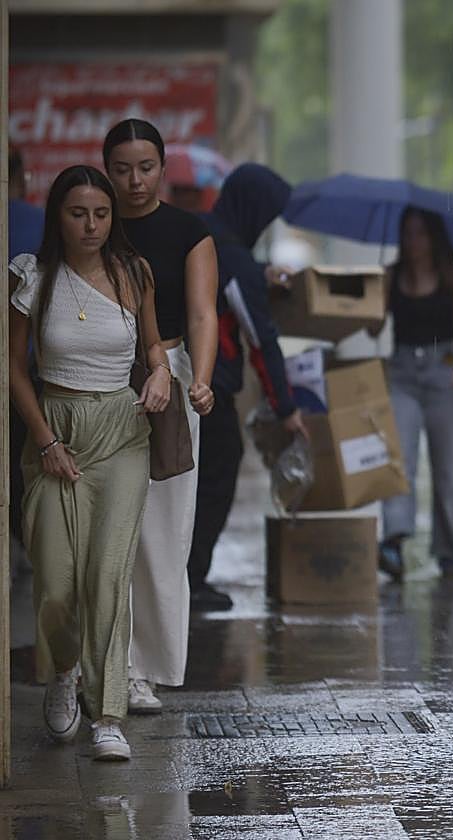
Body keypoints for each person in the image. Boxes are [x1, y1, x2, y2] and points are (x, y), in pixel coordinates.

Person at [8, 164, 172, 760]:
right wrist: (46, 441)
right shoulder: (32, 277)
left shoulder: (134, 273)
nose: (92, 225)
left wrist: (158, 373)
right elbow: (14, 369)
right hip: (55, 430)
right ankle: (61, 674)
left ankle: (107, 716)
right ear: (58, 215)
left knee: (107, 575)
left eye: (101, 214)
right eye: (79, 213)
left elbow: (153, 345)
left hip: (122, 431)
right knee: (54, 579)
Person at [103, 119, 218, 713]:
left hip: (169, 375)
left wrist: (199, 377)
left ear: (162, 167)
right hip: (96, 374)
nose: (134, 180)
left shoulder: (188, 232)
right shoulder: (92, 223)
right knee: (104, 526)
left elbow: (203, 313)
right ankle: (107, 664)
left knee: (164, 527)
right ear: (106, 170)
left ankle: (146, 667)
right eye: (122, 168)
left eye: (145, 167)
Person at [188, 163, 307, 606]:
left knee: (184, 481)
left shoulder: (203, 234)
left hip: (172, 376)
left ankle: (179, 579)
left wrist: (260, 272)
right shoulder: (234, 258)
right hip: (208, 385)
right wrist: (286, 407)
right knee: (217, 474)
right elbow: (262, 340)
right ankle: (189, 580)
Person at [378, 208, 453, 581]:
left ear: (434, 236)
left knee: (448, 471)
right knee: (399, 460)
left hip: (446, 374)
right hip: (402, 374)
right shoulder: (391, 276)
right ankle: (393, 540)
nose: (413, 241)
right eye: (407, 233)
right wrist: (375, 297)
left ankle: (450, 552)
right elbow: (374, 323)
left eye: (420, 233)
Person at [8, 147, 46, 562]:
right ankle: (22, 545)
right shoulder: (39, 224)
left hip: (24, 362)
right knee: (23, 458)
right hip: (31, 365)